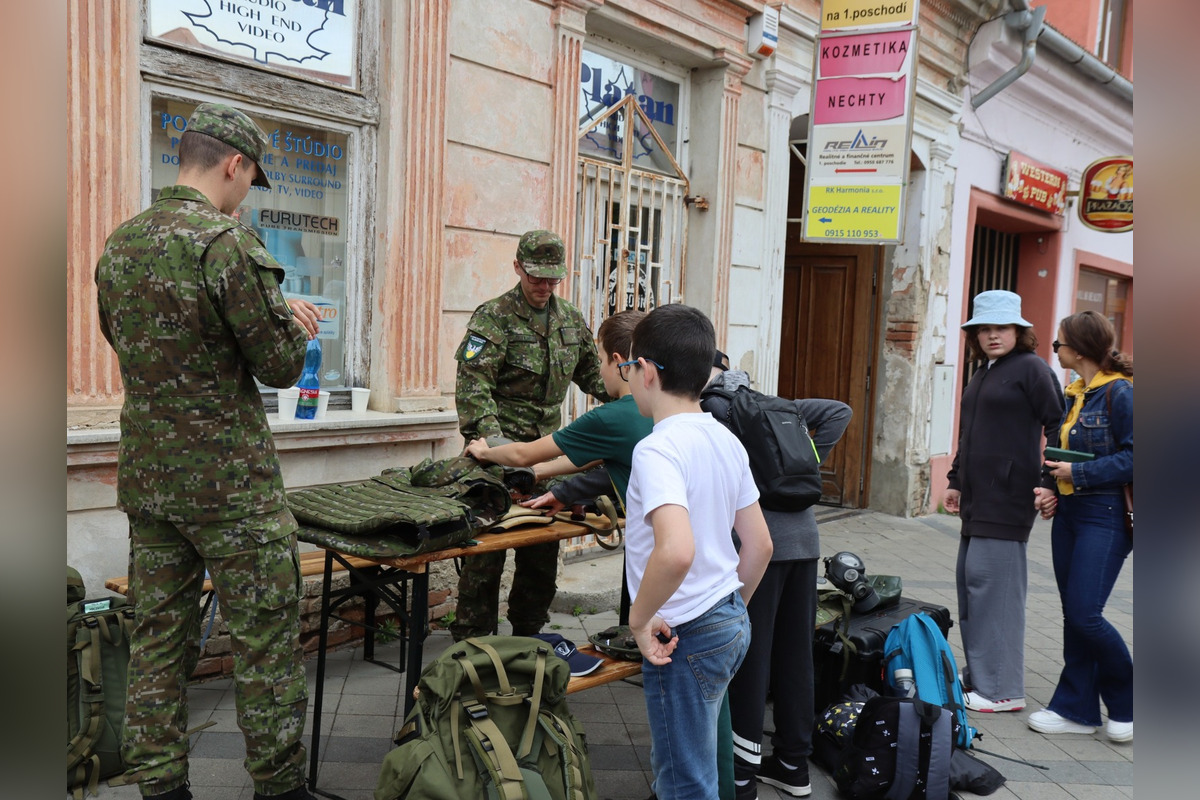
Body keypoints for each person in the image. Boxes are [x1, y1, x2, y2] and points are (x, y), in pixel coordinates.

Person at [94, 103, 323, 800]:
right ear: (234, 164)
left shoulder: (120, 245)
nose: (247, 192)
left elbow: (123, 342)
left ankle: (161, 788)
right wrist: (293, 321)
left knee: (158, 645)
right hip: (232, 493)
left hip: (153, 484)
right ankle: (278, 789)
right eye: (251, 177)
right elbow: (280, 365)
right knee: (265, 648)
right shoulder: (225, 245)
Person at [622, 304, 774, 800]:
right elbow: (760, 544)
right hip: (728, 616)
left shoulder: (657, 448)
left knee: (686, 783)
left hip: (683, 631)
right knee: (697, 766)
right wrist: (730, 610)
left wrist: (639, 621)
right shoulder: (723, 437)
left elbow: (676, 551)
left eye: (627, 368)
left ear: (645, 371)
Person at [451, 229, 611, 641]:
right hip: (494, 453)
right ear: (518, 267)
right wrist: (497, 452)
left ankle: (528, 634)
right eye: (536, 277)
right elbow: (474, 389)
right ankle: (473, 641)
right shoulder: (494, 317)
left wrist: (634, 405)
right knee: (485, 554)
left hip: (546, 456)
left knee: (542, 550)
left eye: (552, 279)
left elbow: (597, 378)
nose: (543, 286)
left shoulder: (571, 321)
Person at [707, 352, 852, 799]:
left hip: (757, 544)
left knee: (752, 657)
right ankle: (792, 764)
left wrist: (765, 481)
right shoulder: (769, 402)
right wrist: (796, 466)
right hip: (804, 540)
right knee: (795, 656)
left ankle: (742, 774)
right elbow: (837, 411)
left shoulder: (710, 408)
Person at [943, 290, 1064, 714]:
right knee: (972, 588)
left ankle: (1002, 690)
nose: (992, 335)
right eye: (984, 329)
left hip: (1010, 498)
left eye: (1001, 327)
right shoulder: (983, 373)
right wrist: (955, 480)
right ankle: (981, 675)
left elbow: (1059, 425)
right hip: (978, 500)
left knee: (996, 594)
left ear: (1019, 331)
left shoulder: (1032, 369)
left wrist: (1049, 481)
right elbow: (969, 434)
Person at [1029, 310, 1133, 742]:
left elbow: (1137, 456)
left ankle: (1130, 700)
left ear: (1080, 348)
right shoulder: (1075, 394)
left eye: (1059, 344)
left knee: (1086, 616)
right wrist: (1049, 486)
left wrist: (1079, 477)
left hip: (1105, 515)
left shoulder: (1121, 394)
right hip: (1070, 515)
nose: (1056, 350)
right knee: (1075, 615)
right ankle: (1075, 709)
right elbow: (1058, 453)